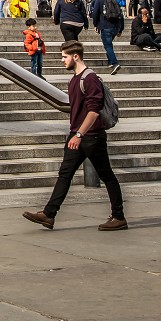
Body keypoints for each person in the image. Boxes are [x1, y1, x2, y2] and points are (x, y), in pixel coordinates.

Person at [22, 41, 127, 231]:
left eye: (64, 57)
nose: (62, 60)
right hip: (77, 134)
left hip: (91, 136)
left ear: (75, 56)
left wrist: (79, 134)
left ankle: (118, 217)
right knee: (65, 174)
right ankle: (49, 214)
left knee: (106, 175)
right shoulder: (74, 79)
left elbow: (94, 111)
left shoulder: (90, 79)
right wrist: (75, 133)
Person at [88, 0, 123, 75]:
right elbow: (120, 15)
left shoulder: (99, 1)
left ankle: (115, 63)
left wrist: (95, 25)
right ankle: (110, 62)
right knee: (109, 44)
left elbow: (95, 14)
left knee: (108, 46)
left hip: (105, 26)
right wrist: (120, 29)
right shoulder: (114, 0)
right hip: (115, 26)